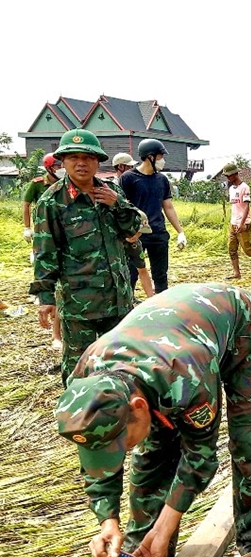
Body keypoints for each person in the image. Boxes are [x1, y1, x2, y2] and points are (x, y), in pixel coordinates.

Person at [55, 283, 251, 557]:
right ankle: (143, 551)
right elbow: (96, 450)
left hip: (244, 329)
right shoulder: (85, 385)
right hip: (173, 341)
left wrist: (166, 524)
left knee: (246, 442)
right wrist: (107, 520)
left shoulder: (185, 379)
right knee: (154, 450)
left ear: (138, 407)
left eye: (121, 443)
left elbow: (199, 457)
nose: (121, 452)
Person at [29, 129, 143, 383]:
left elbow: (134, 230)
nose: (82, 163)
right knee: (79, 369)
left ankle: (119, 415)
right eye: (74, 157)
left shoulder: (112, 192)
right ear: (63, 161)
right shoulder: (51, 202)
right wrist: (45, 297)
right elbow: (45, 253)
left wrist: (118, 204)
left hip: (119, 299)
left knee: (121, 365)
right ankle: (78, 418)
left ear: (98, 161)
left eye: (89, 157)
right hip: (80, 305)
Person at [119, 139, 187, 293]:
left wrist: (180, 232)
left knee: (160, 274)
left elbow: (168, 206)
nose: (162, 161)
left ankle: (161, 306)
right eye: (160, 156)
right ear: (150, 156)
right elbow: (122, 207)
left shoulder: (161, 179)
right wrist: (126, 232)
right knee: (131, 273)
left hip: (158, 233)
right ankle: (127, 307)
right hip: (136, 234)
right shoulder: (128, 178)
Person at [23, 153, 64, 349]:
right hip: (44, 232)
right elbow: (26, 204)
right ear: (49, 168)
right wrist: (27, 227)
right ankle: (56, 335)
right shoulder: (39, 184)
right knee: (53, 282)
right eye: (57, 165)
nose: (60, 168)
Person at [112, 153, 156, 298]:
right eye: (130, 166)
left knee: (136, 268)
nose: (133, 169)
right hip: (119, 233)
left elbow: (143, 270)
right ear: (120, 166)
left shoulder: (136, 240)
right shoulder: (112, 187)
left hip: (132, 224)